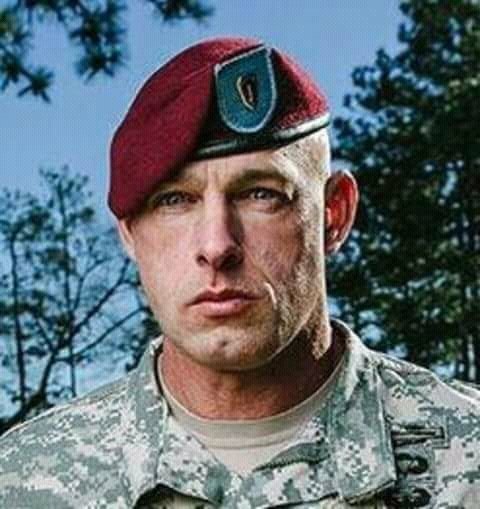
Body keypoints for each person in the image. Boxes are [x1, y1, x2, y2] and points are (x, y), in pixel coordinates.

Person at [1, 37, 479, 509]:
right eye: (174, 200)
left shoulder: (467, 457)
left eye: (260, 194)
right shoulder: (23, 479)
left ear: (334, 213)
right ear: (129, 234)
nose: (217, 246)